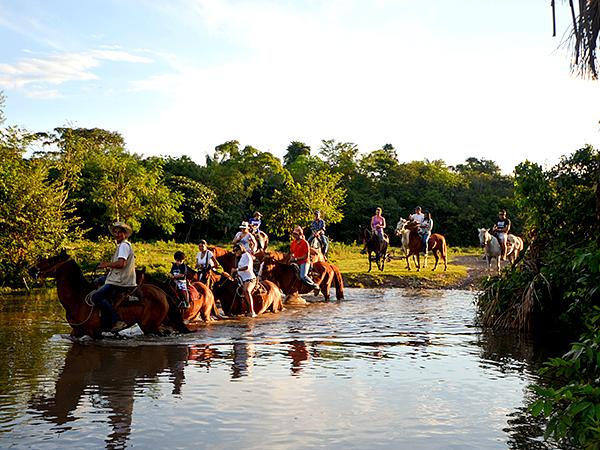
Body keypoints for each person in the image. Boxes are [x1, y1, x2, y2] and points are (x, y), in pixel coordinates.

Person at [91, 222, 136, 332]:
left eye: (120, 232)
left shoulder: (124, 246)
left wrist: (106, 264)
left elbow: (121, 264)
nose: (117, 234)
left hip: (121, 281)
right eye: (115, 232)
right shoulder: (122, 246)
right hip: (117, 277)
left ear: (125, 234)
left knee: (96, 297)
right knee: (96, 281)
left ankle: (116, 320)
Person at [289, 225, 321, 295]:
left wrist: (296, 258)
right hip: (296, 261)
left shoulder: (305, 243)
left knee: (303, 276)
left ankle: (315, 286)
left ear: (300, 234)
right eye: (294, 234)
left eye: (296, 234)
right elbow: (292, 252)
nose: (294, 236)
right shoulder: (293, 243)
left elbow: (305, 256)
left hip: (304, 262)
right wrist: (292, 258)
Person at [231, 244, 258, 317]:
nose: (235, 252)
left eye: (236, 250)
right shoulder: (239, 258)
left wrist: (236, 269)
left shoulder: (246, 255)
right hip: (241, 279)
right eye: (234, 251)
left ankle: (252, 311)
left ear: (241, 249)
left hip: (249, 278)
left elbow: (247, 267)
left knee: (247, 291)